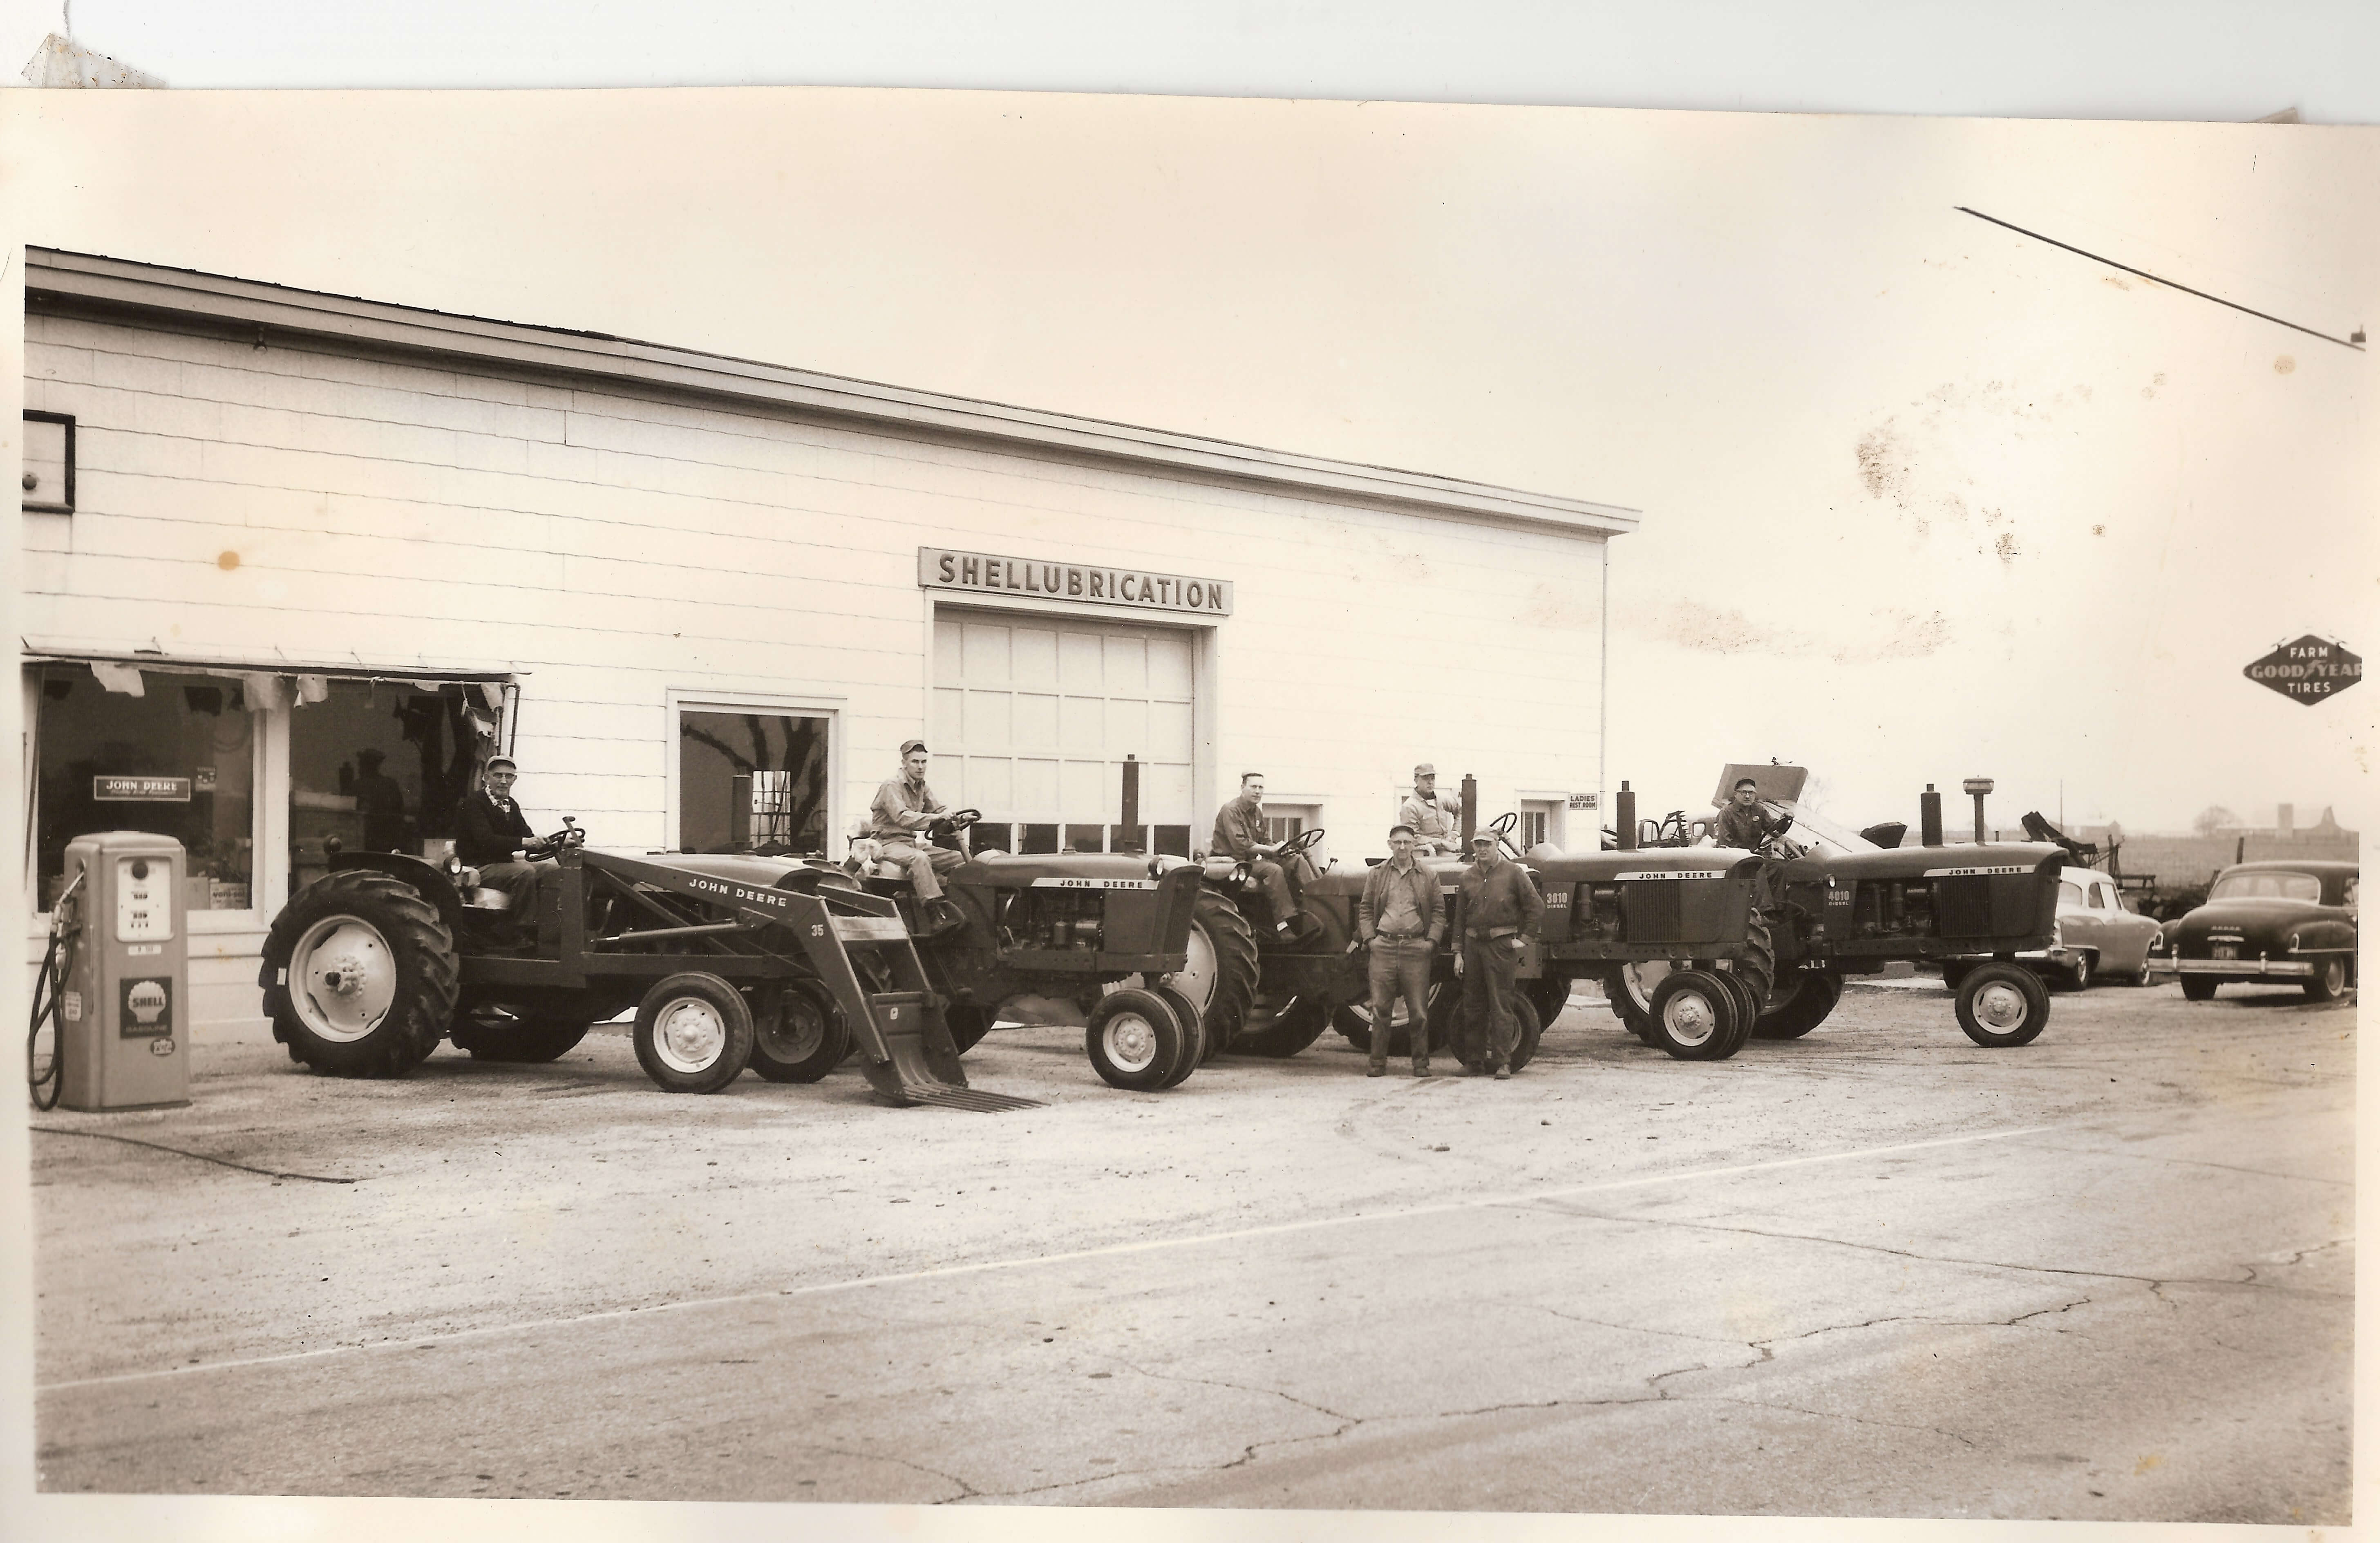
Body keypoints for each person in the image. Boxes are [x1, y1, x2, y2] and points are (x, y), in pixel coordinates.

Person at [1353, 823, 1443, 1077]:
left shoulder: (1428, 875)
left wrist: (1430, 943)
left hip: (1416, 948)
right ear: (1390, 845)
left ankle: (1421, 1065)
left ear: (1415, 845)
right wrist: (1371, 939)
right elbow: (1365, 909)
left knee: (1418, 1012)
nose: (1402, 847)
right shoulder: (1377, 874)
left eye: (1407, 842)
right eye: (1398, 843)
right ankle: (1377, 1064)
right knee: (1381, 1011)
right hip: (1383, 947)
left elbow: (1438, 912)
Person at [1453, 827, 1542, 1078]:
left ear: (1497, 846)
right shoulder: (1467, 878)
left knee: (1501, 1004)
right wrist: (1458, 953)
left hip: (1500, 947)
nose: (1482, 849)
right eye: (1478, 845)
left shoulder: (1514, 873)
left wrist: (1524, 940)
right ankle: (1475, 1062)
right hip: (1472, 947)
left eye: (1487, 845)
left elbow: (1536, 907)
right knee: (1473, 1005)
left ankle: (1504, 1062)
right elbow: (1460, 920)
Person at [867, 739, 969, 938]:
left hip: (910, 843)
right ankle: (935, 918)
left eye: (924, 762)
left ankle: (958, 907)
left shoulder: (922, 786)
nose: (920, 767)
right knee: (920, 859)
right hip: (887, 842)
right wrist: (935, 818)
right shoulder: (892, 786)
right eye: (915, 762)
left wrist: (959, 818)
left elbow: (939, 810)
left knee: (959, 859)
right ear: (904, 763)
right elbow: (903, 817)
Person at [1211, 772, 1317, 941]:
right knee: (1273, 870)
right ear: (1242, 788)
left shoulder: (1256, 812)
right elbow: (1241, 844)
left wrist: (1280, 847)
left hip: (1250, 861)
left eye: (1261, 788)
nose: (1257, 791)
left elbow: (1264, 840)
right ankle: (1283, 926)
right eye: (1253, 787)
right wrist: (1271, 851)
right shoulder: (1231, 810)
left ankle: (1316, 905)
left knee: (1295, 860)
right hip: (1232, 863)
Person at [453, 755, 548, 928]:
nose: (504, 781)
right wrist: (526, 842)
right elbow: (486, 841)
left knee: (553, 870)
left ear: (515, 779)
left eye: (509, 776)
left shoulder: (511, 805)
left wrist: (554, 844)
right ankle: (521, 931)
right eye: (498, 776)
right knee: (525, 872)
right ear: (486, 777)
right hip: (478, 867)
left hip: (503, 866)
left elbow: (527, 836)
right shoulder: (474, 804)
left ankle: (550, 928)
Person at [1397, 764, 1463, 854]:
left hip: (1448, 847)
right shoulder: (1410, 807)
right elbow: (1413, 837)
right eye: (1426, 779)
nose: (1430, 782)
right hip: (1425, 851)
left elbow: (1461, 811)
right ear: (1416, 780)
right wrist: (1443, 843)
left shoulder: (1442, 799)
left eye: (1433, 778)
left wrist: (1454, 834)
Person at [352, 748, 409, 853]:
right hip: (385, 843)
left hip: (370, 842)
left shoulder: (358, 786)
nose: (359, 768)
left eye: (362, 764)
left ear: (368, 766)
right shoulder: (390, 785)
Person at [1715, 777, 1790, 850]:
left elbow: (1773, 827)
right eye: (1744, 793)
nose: (1748, 796)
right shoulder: (1726, 813)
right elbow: (1725, 843)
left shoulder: (1758, 809)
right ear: (1736, 795)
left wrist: (1785, 820)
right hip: (1734, 856)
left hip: (1753, 855)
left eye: (1751, 793)